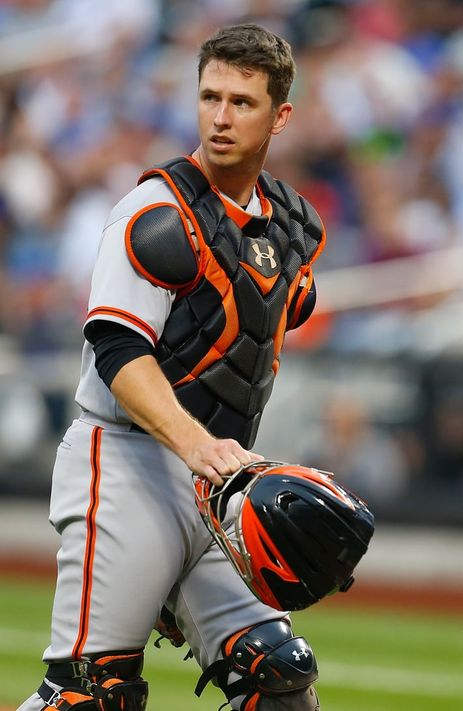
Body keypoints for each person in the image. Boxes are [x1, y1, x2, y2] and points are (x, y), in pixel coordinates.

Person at [18, 23, 326, 711]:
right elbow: (120, 355)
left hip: (216, 481)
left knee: (281, 679)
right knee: (92, 696)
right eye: (209, 96)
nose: (220, 116)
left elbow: (262, 327)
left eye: (242, 102)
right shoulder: (155, 213)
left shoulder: (289, 227)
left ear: (280, 115)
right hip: (127, 463)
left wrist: (222, 462)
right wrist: (202, 448)